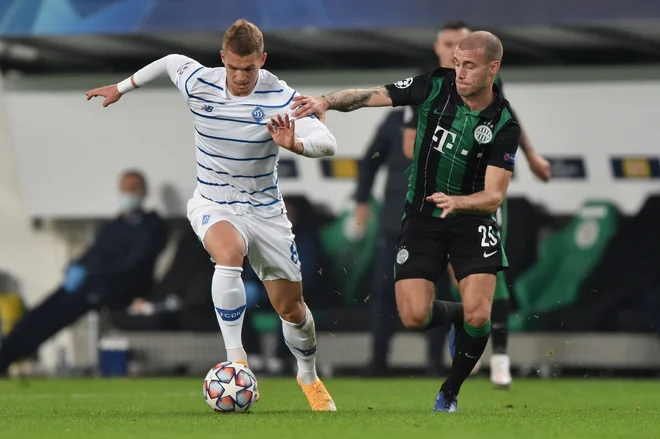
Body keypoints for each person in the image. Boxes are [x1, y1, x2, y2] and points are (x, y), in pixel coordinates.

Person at [86, 19, 337, 411]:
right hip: (214, 202)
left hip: (266, 211)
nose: (240, 77)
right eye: (234, 68)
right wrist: (121, 88)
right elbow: (170, 62)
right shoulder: (199, 81)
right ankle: (237, 359)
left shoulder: (280, 96)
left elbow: (328, 141)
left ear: (262, 61)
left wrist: (298, 143)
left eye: (249, 69)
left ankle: (307, 374)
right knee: (228, 254)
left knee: (292, 309)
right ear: (223, 59)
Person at [293, 31, 518, 412]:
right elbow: (371, 95)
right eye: (457, 63)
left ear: (492, 69)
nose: (459, 72)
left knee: (483, 311)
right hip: (422, 220)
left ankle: (449, 392)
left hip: (472, 219)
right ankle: (457, 315)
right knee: (414, 316)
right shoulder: (434, 86)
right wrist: (325, 101)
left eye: (469, 66)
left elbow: (495, 195)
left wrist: (459, 201)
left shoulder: (504, 123)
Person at [403, 20, 552, 388]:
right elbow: (410, 143)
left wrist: (531, 156)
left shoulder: (486, 88)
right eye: (451, 48)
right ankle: (459, 337)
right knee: (421, 303)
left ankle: (499, 355)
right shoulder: (434, 89)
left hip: (474, 196)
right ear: (441, 51)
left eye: (464, 49)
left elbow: (509, 119)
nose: (459, 59)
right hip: (432, 199)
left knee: (482, 281)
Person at [0, 170, 168, 376]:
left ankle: (8, 357)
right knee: (43, 310)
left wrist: (91, 273)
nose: (128, 193)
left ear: (144, 192)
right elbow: (93, 253)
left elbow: (135, 264)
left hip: (120, 290)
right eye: (124, 189)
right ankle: (6, 352)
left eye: (133, 188)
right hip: (91, 283)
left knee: (55, 316)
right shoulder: (112, 226)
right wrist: (75, 266)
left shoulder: (154, 226)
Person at [354, 106, 451, 376]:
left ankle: (434, 360)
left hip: (436, 222)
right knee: (385, 292)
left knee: (434, 291)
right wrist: (362, 198)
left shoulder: (453, 119)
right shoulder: (395, 121)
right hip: (395, 224)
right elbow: (372, 157)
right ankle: (378, 359)